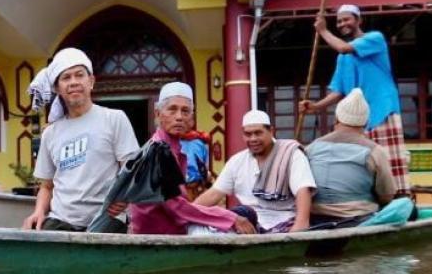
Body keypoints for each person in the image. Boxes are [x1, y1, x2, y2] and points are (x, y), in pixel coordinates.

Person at [21, 48, 140, 231]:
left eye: (79, 75)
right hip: (61, 220)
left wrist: (124, 197)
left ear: (91, 81)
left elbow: (131, 170)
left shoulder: (114, 119)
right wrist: (38, 212)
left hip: (106, 217)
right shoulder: (50, 133)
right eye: (66, 77)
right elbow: (46, 186)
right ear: (57, 88)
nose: (74, 82)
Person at [116, 83, 257, 235]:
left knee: (245, 213)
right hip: (162, 233)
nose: (179, 117)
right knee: (240, 219)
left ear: (192, 118)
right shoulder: (157, 153)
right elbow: (178, 208)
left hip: (174, 224)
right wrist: (230, 218)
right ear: (157, 114)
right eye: (172, 109)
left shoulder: (174, 148)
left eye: (185, 111)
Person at [300, 4, 410, 194]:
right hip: (357, 120)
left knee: (391, 162)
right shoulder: (343, 58)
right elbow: (339, 91)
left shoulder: (374, 39)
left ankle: (401, 198)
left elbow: (343, 47)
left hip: (381, 110)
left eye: (347, 19)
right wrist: (316, 106)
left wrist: (323, 30)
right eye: (339, 21)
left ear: (359, 20)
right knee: (362, 163)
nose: (343, 24)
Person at [193, 110, 316, 233]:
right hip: (247, 220)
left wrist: (301, 224)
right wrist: (187, 212)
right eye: (248, 134)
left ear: (271, 131)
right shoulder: (237, 161)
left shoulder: (291, 154)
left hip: (283, 219)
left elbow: (303, 190)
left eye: (258, 133)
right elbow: (214, 193)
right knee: (198, 228)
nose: (253, 139)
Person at [307, 88, 399, 226]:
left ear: (337, 118)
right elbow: (387, 195)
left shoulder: (312, 147)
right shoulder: (375, 151)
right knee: (405, 205)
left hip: (314, 217)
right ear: (366, 122)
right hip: (357, 218)